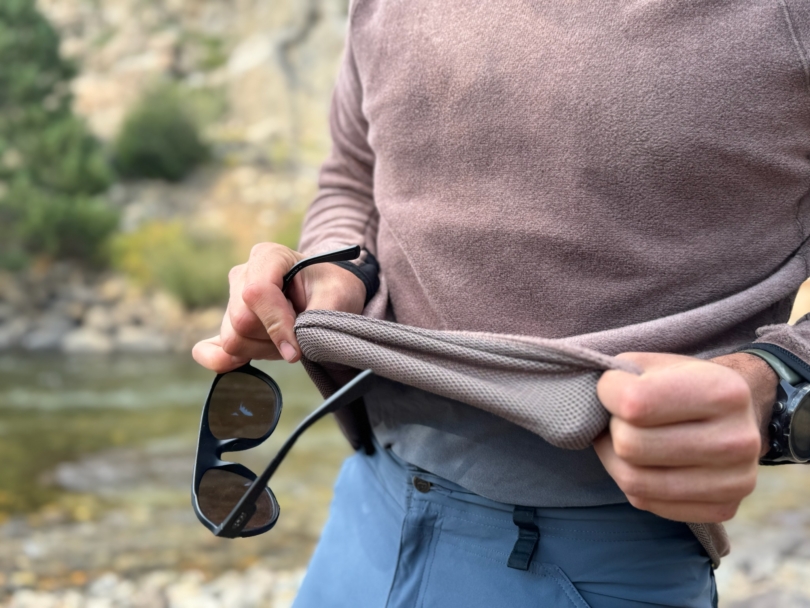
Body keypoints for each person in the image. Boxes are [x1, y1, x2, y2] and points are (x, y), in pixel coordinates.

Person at [193, 1, 810, 606]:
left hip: (601, 554)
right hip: (366, 508)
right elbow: (353, 172)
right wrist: (331, 267)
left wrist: (778, 390)